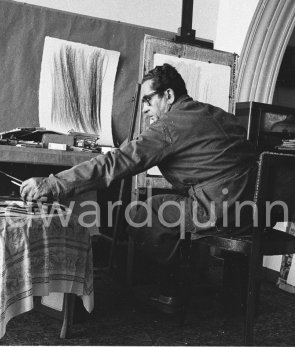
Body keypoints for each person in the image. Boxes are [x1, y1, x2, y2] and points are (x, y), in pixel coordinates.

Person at [21, 63, 257, 299]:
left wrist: (54, 184)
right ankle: (208, 286)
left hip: (219, 211)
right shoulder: (216, 114)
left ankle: (176, 288)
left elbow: (115, 163)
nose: (144, 109)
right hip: (254, 211)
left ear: (169, 95)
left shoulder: (170, 125)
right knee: (161, 206)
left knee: (139, 214)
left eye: (148, 100)